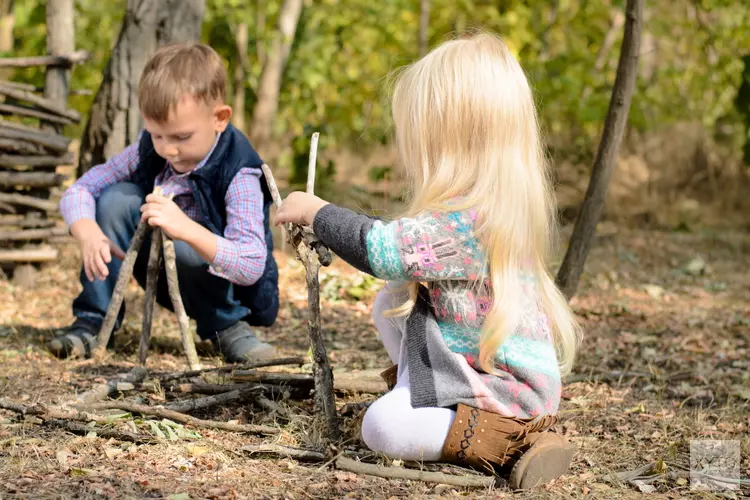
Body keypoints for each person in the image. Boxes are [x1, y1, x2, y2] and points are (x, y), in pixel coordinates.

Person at [274, 33, 581, 489]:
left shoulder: (473, 222)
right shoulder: (477, 210)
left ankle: (513, 441)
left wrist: (318, 213)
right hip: (473, 364)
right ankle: (423, 397)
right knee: (390, 302)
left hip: (508, 389)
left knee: (381, 428)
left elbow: (382, 249)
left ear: (452, 142)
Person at [48, 42, 280, 363]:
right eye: (157, 135)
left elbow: (252, 264)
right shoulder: (148, 149)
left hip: (216, 285)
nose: (168, 150)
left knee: (186, 238)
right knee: (115, 199)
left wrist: (186, 229)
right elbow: (81, 189)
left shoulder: (239, 171)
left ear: (220, 118)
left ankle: (227, 326)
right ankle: (94, 320)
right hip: (160, 269)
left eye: (182, 137)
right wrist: (87, 231)